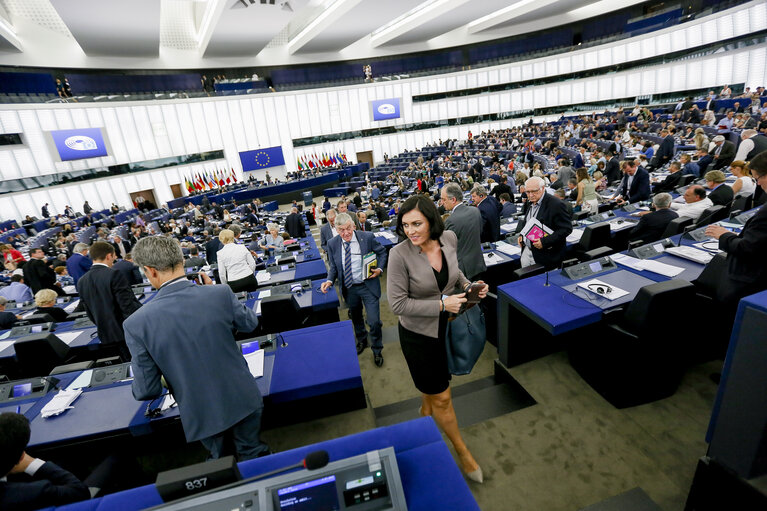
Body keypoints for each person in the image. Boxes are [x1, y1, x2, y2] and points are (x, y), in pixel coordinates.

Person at [126, 236, 268, 460]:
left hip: (201, 412)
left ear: (150, 271)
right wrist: (218, 292)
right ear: (181, 260)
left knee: (222, 465)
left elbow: (147, 390)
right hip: (242, 396)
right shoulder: (219, 293)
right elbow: (250, 323)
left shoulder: (135, 323)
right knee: (253, 453)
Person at [386, 195, 487, 483]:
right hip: (418, 335)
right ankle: (463, 453)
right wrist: (442, 305)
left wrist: (470, 286)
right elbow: (397, 305)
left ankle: (425, 409)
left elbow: (455, 275)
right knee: (443, 396)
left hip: (445, 325)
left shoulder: (450, 238)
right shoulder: (399, 254)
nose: (411, 231)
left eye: (417, 223)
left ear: (432, 220)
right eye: (405, 225)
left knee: (433, 387)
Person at [320, 213, 387, 366]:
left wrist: (379, 269)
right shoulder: (332, 243)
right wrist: (329, 280)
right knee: (356, 318)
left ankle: (377, 349)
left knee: (374, 321)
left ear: (353, 226)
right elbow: (334, 267)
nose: (346, 233)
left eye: (348, 228)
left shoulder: (367, 237)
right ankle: (362, 340)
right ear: (336, 230)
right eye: (341, 230)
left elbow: (382, 252)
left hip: (368, 286)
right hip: (349, 288)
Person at [704, 151, 767, 304]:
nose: (757, 184)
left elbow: (747, 248)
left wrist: (724, 235)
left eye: (758, 178)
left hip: (747, 283)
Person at [0, 412, 91, 509]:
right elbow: (80, 492)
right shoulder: (34, 492)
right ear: (21, 457)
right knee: (108, 461)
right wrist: (32, 463)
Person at [77, 242, 142, 361]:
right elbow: (127, 306)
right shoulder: (114, 274)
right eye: (114, 256)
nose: (115, 258)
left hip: (105, 335)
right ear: (108, 256)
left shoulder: (82, 281)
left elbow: (89, 311)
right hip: (126, 333)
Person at [514, 176, 573, 269]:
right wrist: (522, 235)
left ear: (542, 189)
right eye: (528, 192)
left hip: (546, 256)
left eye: (534, 191)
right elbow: (528, 221)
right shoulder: (530, 202)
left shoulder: (556, 204)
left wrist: (544, 242)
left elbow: (566, 229)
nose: (530, 195)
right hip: (527, 252)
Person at [442, 183, 486, 282]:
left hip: (463, 271)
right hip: (478, 263)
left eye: (443, 199)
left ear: (453, 199)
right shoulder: (475, 211)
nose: (441, 202)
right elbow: (479, 233)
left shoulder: (451, 221)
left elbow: (448, 248)